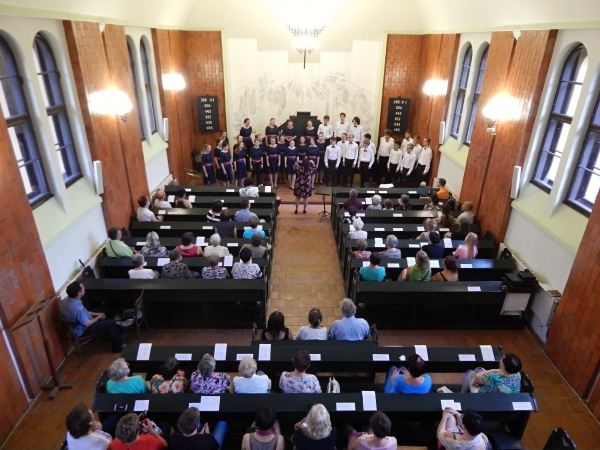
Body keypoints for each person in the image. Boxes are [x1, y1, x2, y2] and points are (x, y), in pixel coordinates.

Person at [59, 282, 123, 353]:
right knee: (111, 323)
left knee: (104, 310)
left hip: (77, 324)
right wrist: (98, 317)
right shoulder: (77, 309)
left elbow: (84, 311)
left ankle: (111, 335)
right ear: (79, 293)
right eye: (83, 288)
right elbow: (86, 324)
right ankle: (117, 348)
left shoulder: (66, 300)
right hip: (82, 329)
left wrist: (97, 314)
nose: (84, 289)